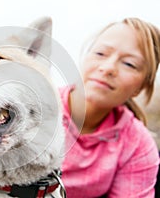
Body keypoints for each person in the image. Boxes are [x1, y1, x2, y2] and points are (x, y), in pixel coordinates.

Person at [60, 17, 160, 197]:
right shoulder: (34, 107)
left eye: (129, 64)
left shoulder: (137, 145)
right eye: (100, 53)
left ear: (141, 87)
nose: (108, 68)